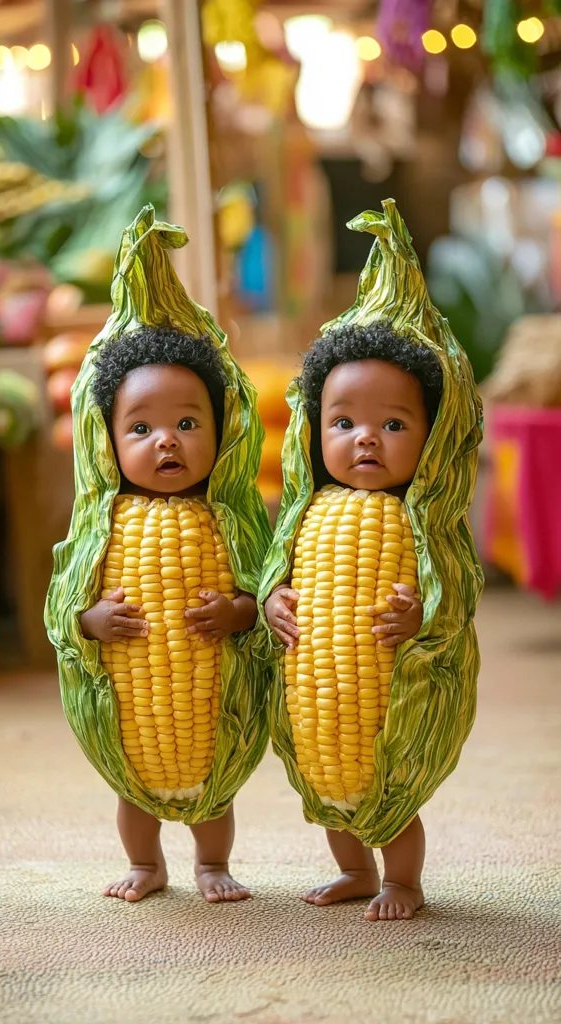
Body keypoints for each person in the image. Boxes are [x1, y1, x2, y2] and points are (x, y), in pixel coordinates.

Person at [264, 320, 444, 921]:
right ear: (315, 435)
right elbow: (275, 572)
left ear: (430, 437)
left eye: (393, 425)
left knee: (391, 799)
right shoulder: (307, 511)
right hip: (320, 693)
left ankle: (404, 881)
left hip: (391, 698)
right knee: (329, 797)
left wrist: (420, 613)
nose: (367, 439)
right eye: (344, 424)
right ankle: (353, 870)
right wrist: (273, 600)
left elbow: (452, 595)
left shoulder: (421, 521)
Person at [79, 325, 261, 904]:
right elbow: (65, 604)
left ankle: (212, 863)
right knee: (132, 793)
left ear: (220, 430)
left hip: (207, 701)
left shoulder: (228, 517)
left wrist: (235, 613)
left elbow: (263, 590)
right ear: (109, 441)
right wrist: (93, 620)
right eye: (141, 428)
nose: (166, 442)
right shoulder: (100, 526)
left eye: (187, 424)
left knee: (215, 791)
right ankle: (145, 863)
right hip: (136, 707)